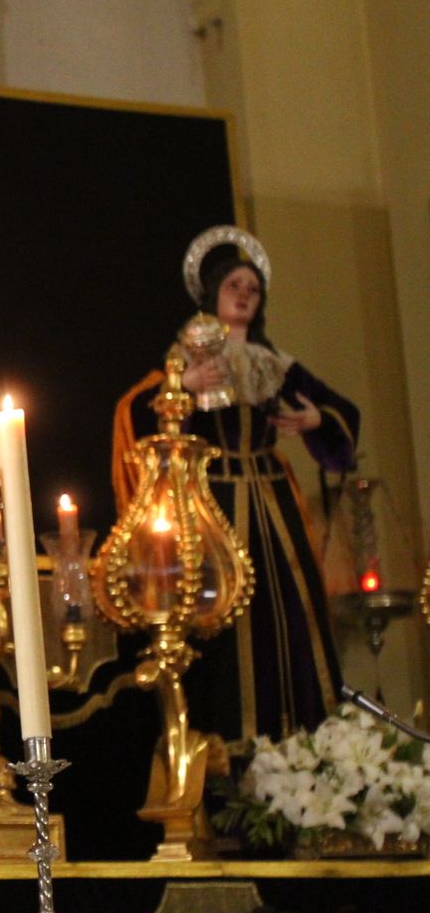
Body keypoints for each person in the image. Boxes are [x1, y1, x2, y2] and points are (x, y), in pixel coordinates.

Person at [113, 244, 358, 749]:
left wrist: (315, 421)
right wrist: (182, 388)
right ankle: (232, 745)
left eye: (253, 289)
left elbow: (342, 421)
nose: (244, 296)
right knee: (224, 617)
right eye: (234, 287)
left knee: (293, 611)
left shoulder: (276, 364)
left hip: (273, 497)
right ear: (212, 294)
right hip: (212, 503)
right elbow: (135, 413)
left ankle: (310, 741)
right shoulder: (187, 354)